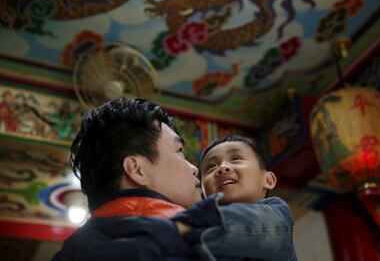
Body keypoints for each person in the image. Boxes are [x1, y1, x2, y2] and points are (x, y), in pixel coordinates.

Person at [53, 98, 296, 260]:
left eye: (236, 159)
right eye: (179, 152)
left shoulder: (70, 251)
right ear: (137, 170)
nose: (193, 169)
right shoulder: (180, 243)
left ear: (269, 180)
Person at [199, 135, 297, 260]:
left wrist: (187, 227)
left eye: (235, 158)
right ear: (202, 192)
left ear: (268, 180)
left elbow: (262, 227)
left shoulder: (277, 212)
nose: (222, 168)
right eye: (211, 166)